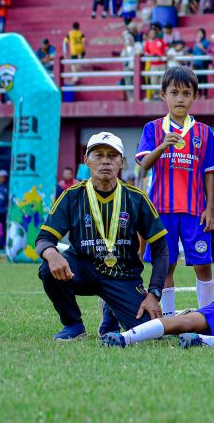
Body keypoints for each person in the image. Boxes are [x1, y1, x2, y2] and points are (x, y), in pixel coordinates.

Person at [36, 132, 167, 340]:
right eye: (98, 155)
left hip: (122, 275)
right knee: (48, 269)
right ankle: (73, 325)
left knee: (149, 332)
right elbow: (43, 238)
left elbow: (161, 250)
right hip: (82, 269)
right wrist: (52, 254)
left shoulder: (137, 198)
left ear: (122, 162)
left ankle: (111, 307)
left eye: (113, 155)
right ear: (86, 160)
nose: (106, 160)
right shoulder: (72, 196)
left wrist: (154, 294)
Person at [135, 66, 214, 315]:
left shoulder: (204, 133)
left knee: (203, 265)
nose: (180, 98)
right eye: (174, 92)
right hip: (161, 211)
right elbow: (143, 164)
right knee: (166, 265)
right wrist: (163, 146)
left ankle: (206, 317)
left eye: (186, 93)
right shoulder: (153, 129)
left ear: (195, 96)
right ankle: (169, 318)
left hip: (195, 211)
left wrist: (209, 208)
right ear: (163, 95)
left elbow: (209, 173)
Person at [0, 170, 7, 250]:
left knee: (2, 229)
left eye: (3, 177)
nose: (2, 178)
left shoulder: (7, 187)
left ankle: (1, 245)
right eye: (0, 176)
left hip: (2, 212)